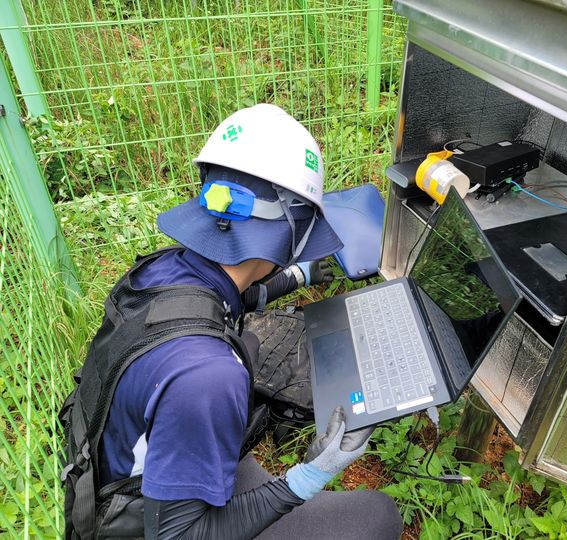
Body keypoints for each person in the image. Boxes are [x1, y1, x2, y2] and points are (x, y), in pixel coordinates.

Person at [60, 104, 403, 539]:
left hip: (114, 478)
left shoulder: (161, 271)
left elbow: (234, 294)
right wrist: (307, 476)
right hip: (146, 524)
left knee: (250, 354)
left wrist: (298, 275)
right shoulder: (209, 374)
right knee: (377, 515)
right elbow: (180, 536)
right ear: (289, 233)